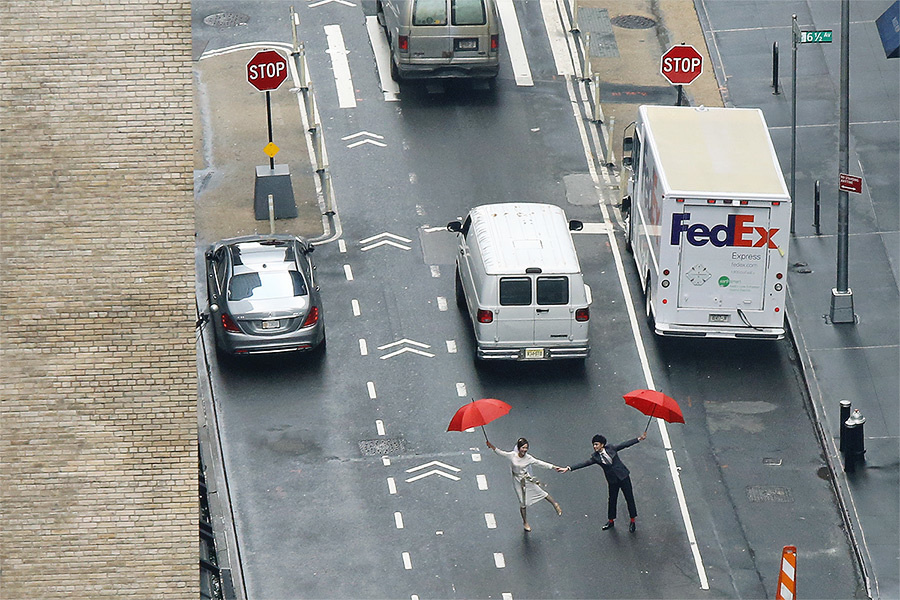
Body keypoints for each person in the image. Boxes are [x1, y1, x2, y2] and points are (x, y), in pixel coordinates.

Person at [562, 431, 647, 532]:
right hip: (612, 481)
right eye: (594, 445)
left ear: (602, 444)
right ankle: (611, 520)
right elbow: (584, 463)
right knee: (612, 500)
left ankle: (632, 520)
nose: (594, 446)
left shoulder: (611, 448)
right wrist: (569, 468)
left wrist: (638, 439)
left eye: (596, 444)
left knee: (629, 498)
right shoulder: (596, 457)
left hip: (623, 476)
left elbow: (624, 445)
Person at [486, 437, 564, 532]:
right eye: (523, 447)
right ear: (519, 448)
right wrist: (491, 446)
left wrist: (554, 467)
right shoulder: (512, 455)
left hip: (526, 479)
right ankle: (525, 522)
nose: (524, 450)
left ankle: (555, 504)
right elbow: (501, 453)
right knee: (522, 503)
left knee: (540, 492)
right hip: (517, 481)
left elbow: (540, 463)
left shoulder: (528, 458)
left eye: (526, 448)